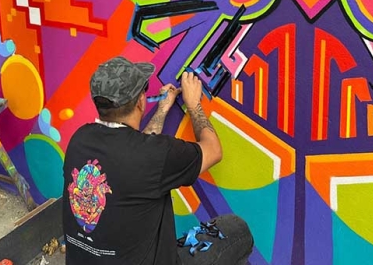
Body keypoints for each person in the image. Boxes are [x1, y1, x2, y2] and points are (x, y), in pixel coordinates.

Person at [63, 56, 254, 264]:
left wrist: (162, 109)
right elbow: (213, 150)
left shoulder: (79, 140)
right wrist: (193, 104)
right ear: (140, 102)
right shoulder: (152, 155)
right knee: (237, 229)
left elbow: (136, 150)